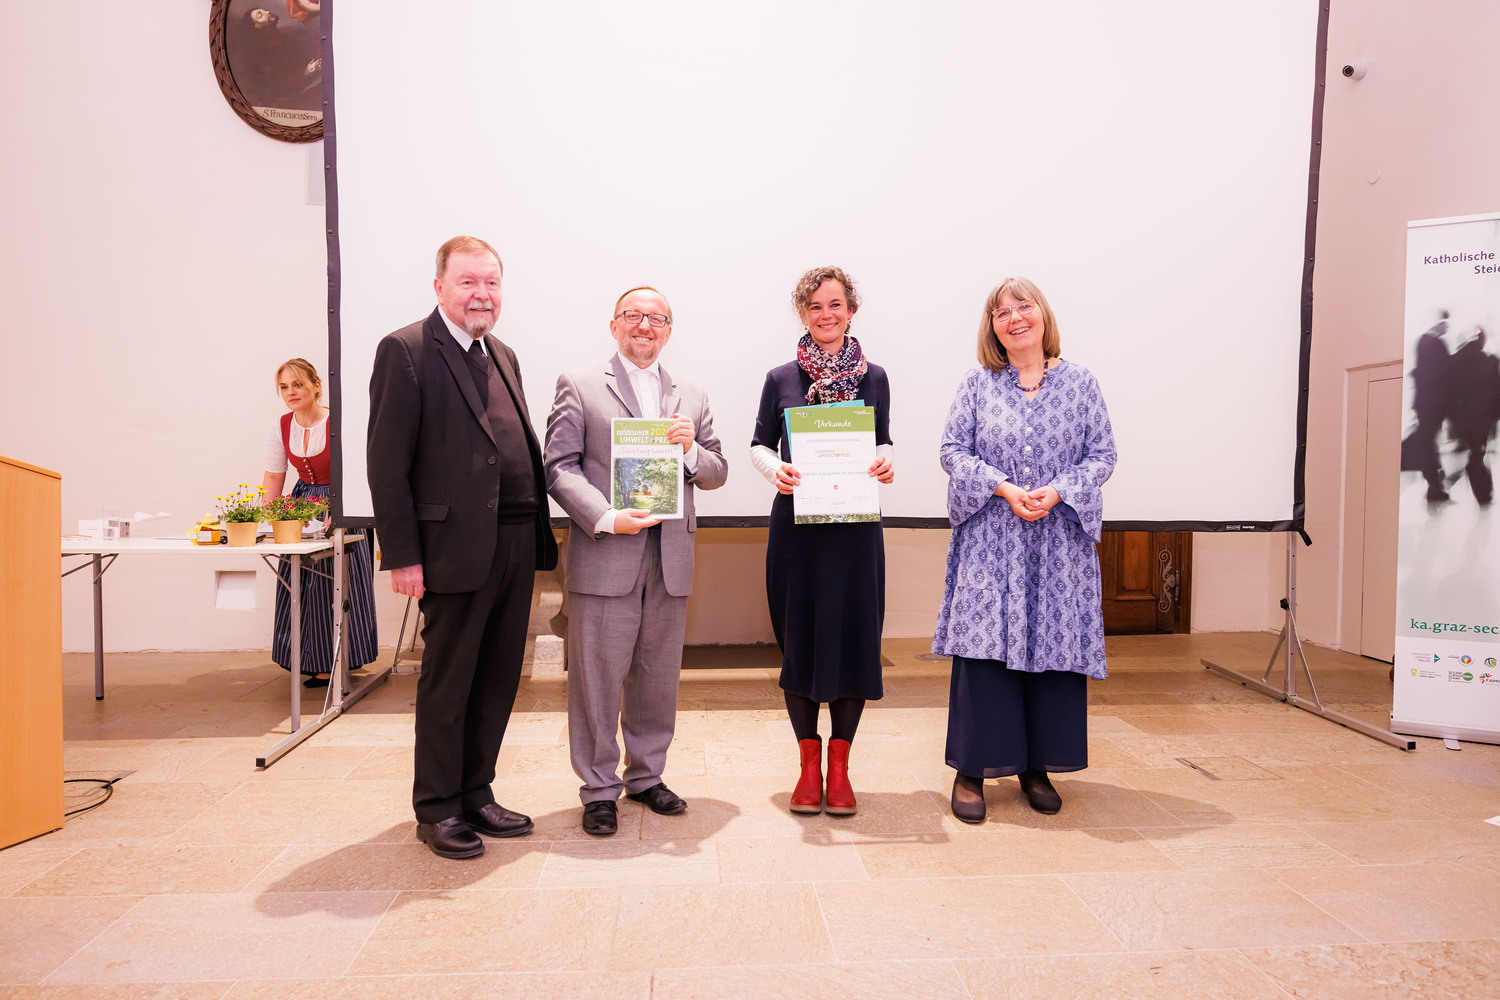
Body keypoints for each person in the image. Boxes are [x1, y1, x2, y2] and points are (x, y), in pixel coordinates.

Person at [368, 235, 558, 860]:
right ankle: (437, 808)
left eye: (491, 283)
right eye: (468, 282)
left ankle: (476, 792)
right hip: (451, 548)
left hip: (513, 542)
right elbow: (386, 464)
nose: (482, 294)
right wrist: (403, 554)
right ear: (440, 287)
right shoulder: (406, 350)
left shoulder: (501, 353)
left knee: (498, 678)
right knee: (449, 682)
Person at [544, 286, 727, 836]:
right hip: (607, 550)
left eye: (656, 318)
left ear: (668, 330)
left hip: (670, 557)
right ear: (615, 325)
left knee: (657, 677)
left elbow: (716, 471)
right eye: (634, 315)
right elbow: (558, 467)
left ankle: (647, 777)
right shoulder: (579, 384)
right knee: (597, 679)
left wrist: (691, 451)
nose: (644, 325)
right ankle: (599, 789)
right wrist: (605, 516)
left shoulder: (692, 394)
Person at [933, 277, 1115, 823]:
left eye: (1024, 306)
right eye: (1001, 312)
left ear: (1042, 315)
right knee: (985, 650)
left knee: (1052, 650)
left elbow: (1102, 455)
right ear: (992, 328)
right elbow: (952, 450)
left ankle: (1037, 766)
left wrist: (1057, 491)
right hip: (991, 542)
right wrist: (1002, 487)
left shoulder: (1081, 383)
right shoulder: (977, 384)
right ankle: (972, 770)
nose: (1014, 318)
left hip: (1058, 547)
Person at [750, 266, 894, 817]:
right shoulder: (780, 377)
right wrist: (777, 470)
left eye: (835, 305)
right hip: (798, 532)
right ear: (803, 313)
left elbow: (883, 440)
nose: (825, 314)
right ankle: (808, 766)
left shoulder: (874, 378)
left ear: (850, 311)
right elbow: (759, 444)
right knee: (801, 640)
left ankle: (841, 766)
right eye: (815, 306)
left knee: (855, 639)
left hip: (856, 530)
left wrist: (884, 462)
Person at [261, 359, 377, 688]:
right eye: (284, 387)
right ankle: (306, 657)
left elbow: (359, 469)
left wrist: (342, 509)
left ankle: (338, 659)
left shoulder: (338, 421)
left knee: (335, 581)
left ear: (316, 386)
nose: (291, 392)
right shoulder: (281, 425)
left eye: (298, 384)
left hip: (341, 503)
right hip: (302, 504)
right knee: (299, 579)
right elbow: (274, 477)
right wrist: (270, 520)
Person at [1445, 327, 1500, 506]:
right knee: (1477, 453)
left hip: (1462, 419)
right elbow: (1495, 391)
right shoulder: (1489, 361)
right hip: (1482, 418)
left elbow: (1448, 393)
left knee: (1476, 452)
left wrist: (1452, 419)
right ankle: (1484, 494)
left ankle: (1484, 492)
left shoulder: (1454, 361)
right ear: (1481, 341)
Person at [1410, 310, 1453, 501]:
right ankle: (1434, 487)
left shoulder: (1421, 342)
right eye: (1445, 325)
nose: (1447, 328)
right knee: (1429, 444)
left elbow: (1420, 373)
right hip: (1433, 404)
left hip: (1423, 403)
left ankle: (1434, 484)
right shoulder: (1436, 344)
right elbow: (1444, 374)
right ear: (1439, 324)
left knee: (1428, 443)